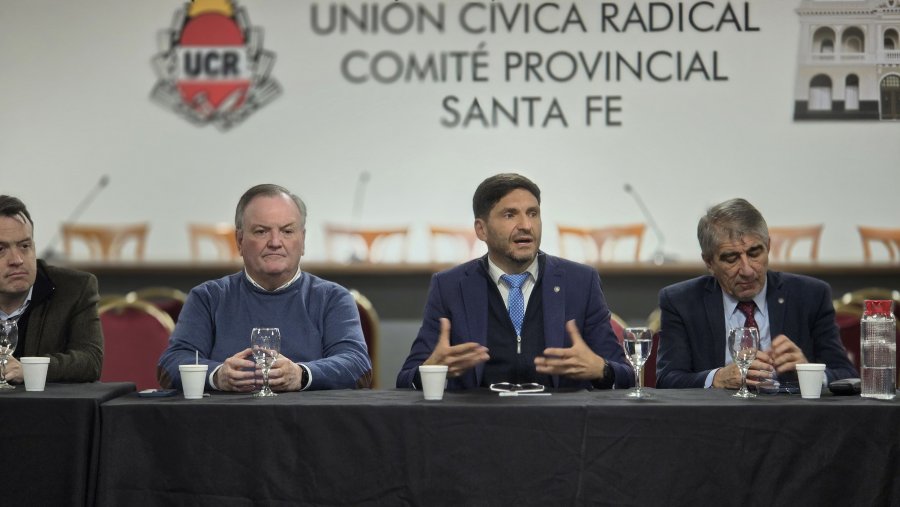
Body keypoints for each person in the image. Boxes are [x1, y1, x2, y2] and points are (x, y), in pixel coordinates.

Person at [396, 173, 633, 390]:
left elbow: (626, 376)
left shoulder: (580, 282)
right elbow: (406, 379)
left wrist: (601, 370)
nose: (526, 226)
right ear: (481, 229)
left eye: (533, 213)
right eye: (510, 215)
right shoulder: (450, 286)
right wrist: (430, 370)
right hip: (476, 426)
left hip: (561, 425)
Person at [158, 184, 372, 392]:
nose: (275, 242)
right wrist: (217, 376)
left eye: (287, 231)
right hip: (224, 423)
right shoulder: (208, 298)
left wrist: (302, 375)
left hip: (310, 424)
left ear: (303, 240)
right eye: (261, 231)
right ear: (240, 240)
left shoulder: (333, 298)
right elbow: (171, 364)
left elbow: (357, 366)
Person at [655, 198, 857, 389]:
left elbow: (846, 374)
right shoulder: (681, 301)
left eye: (754, 253)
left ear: (768, 246)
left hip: (791, 418)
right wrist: (717, 378)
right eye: (731, 258)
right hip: (715, 419)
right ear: (709, 262)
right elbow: (667, 379)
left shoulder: (810, 295)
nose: (747, 270)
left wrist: (808, 374)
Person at [0, 195, 103, 383]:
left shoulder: (74, 289)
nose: (17, 260)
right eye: (1, 249)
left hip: (47, 410)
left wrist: (30, 369)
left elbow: (90, 361)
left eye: (25, 246)